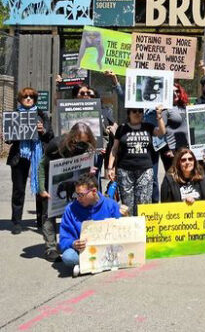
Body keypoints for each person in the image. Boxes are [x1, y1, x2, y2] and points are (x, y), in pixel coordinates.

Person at [36, 123, 96, 261]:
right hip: (51, 183)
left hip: (75, 184)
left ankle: (77, 241)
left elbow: (86, 165)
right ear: (72, 138)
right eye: (80, 142)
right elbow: (41, 166)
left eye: (86, 142)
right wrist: (41, 189)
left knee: (77, 211)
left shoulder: (87, 147)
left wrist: (90, 170)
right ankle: (51, 248)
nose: (83, 145)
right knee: (48, 215)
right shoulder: (56, 145)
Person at [6, 87, 54, 234]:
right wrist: (9, 133)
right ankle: (17, 222)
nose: (28, 99)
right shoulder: (14, 116)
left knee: (41, 188)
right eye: (25, 97)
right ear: (20, 99)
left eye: (31, 97)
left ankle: (41, 220)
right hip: (19, 156)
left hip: (38, 156)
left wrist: (42, 131)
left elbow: (50, 136)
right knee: (18, 190)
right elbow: (9, 140)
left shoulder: (41, 115)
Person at [58, 173, 124, 277]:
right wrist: (73, 243)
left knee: (124, 250)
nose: (78, 198)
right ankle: (101, 264)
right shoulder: (70, 209)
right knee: (68, 256)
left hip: (107, 249)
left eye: (81, 195)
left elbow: (122, 232)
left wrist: (125, 216)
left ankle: (87, 266)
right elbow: (63, 240)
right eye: (77, 194)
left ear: (93, 191)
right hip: (83, 251)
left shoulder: (110, 205)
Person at [107, 106, 166, 215]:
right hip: (125, 171)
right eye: (134, 111)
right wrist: (110, 168)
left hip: (145, 170)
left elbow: (162, 132)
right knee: (127, 204)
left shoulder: (148, 126)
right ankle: (130, 228)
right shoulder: (122, 128)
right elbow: (114, 149)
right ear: (129, 113)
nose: (138, 113)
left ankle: (143, 228)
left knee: (144, 203)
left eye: (140, 111)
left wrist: (159, 116)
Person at [160, 82, 190, 172]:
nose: (175, 94)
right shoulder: (165, 109)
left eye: (177, 91)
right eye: (172, 92)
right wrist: (167, 149)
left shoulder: (185, 107)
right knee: (173, 178)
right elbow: (161, 132)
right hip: (172, 150)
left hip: (186, 148)